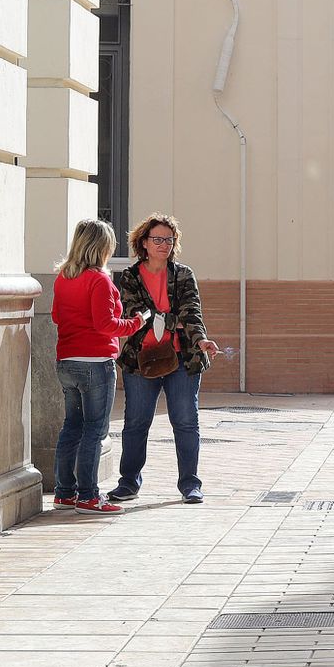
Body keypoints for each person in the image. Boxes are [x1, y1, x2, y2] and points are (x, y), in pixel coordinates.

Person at [111, 214, 222, 505]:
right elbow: (136, 315)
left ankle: (190, 484)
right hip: (141, 360)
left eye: (169, 240)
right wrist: (174, 321)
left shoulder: (184, 274)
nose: (164, 245)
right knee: (135, 422)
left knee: (186, 422)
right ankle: (128, 483)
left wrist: (200, 339)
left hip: (183, 359)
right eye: (157, 239)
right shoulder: (131, 276)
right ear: (144, 243)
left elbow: (192, 313)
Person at [51, 219, 143, 515]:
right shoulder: (99, 280)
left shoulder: (64, 277)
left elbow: (55, 316)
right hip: (96, 362)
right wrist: (137, 322)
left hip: (67, 361)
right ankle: (88, 496)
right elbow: (107, 326)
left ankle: (64, 493)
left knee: (71, 427)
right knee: (95, 430)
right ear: (103, 247)